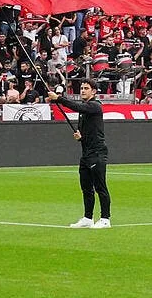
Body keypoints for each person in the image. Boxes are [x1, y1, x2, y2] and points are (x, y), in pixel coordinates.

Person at [46, 78, 111, 228]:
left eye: (86, 88)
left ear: (93, 91)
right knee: (86, 188)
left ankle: (105, 218)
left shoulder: (95, 106)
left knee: (100, 187)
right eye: (81, 88)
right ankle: (88, 218)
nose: (82, 90)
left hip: (97, 153)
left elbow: (77, 107)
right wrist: (81, 137)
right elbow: (88, 128)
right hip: (86, 153)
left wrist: (59, 99)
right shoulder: (86, 109)